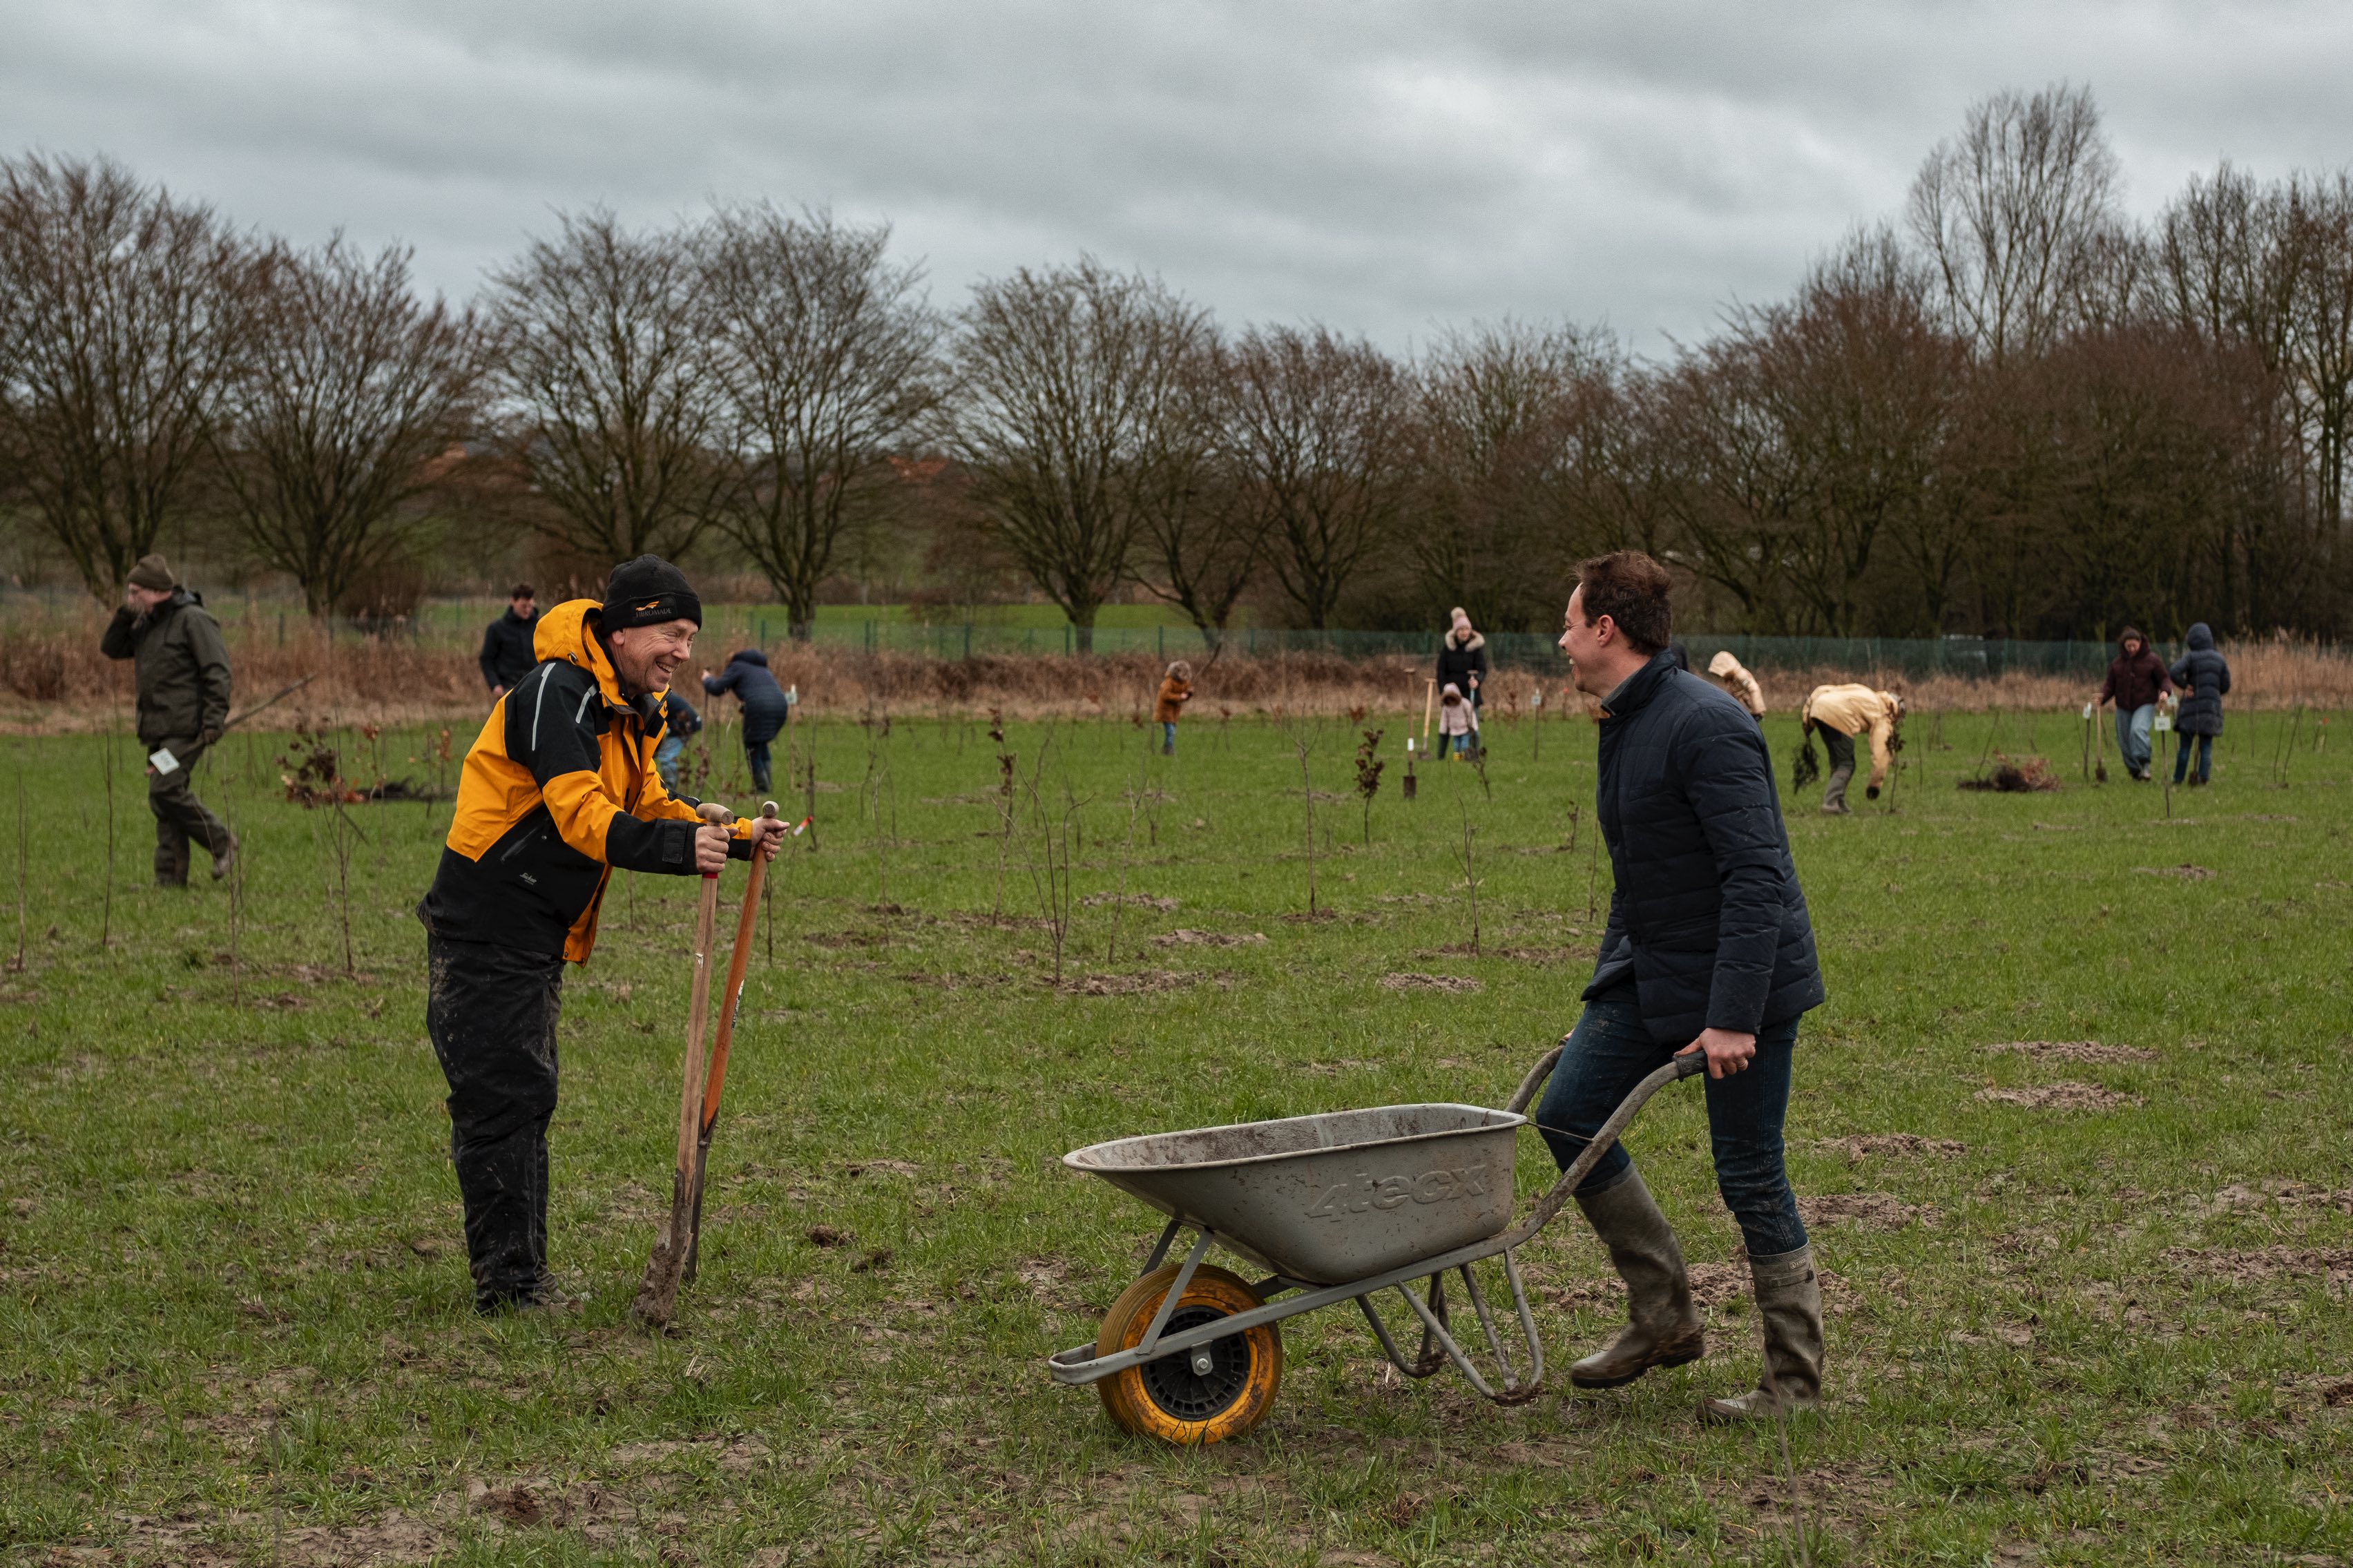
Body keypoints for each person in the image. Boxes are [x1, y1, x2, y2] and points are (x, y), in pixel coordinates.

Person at [418, 556, 790, 1313]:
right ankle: (511, 1287)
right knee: (504, 1098)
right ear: (624, 630)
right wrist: (681, 852)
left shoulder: (628, 705)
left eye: (690, 638)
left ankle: (519, 1274)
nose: (683, 653)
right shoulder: (558, 693)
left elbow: (646, 802)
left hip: (535, 927)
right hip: (488, 923)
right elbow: (579, 813)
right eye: (672, 634)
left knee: (525, 1092)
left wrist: (742, 835)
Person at [1544, 549, 1825, 1423]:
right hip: (1656, 967)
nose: (1557, 640)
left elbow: (1756, 879)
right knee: (1566, 1112)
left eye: (1566, 622)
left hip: (1745, 984)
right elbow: (1642, 876)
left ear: (1605, 628)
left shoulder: (1706, 724)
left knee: (1748, 1174)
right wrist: (1607, 990)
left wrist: (1732, 1019)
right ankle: (1663, 1316)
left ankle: (1793, 1384)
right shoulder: (1626, 719)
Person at [100, 554, 237, 887]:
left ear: (157, 590)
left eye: (135, 592)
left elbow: (218, 671)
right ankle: (170, 879)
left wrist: (214, 719)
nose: (131, 598)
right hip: (158, 729)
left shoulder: (193, 619)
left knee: (166, 789)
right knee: (162, 799)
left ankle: (222, 842)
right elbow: (112, 648)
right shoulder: (147, 623)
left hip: (186, 727)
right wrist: (124, 615)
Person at [1799, 684, 1903, 815]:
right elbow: (1881, 754)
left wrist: (1807, 720)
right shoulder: (1883, 715)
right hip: (1839, 716)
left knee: (1837, 762)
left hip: (1819, 710)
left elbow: (1822, 690)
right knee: (1847, 764)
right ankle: (1830, 803)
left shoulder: (1867, 693)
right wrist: (1875, 785)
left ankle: (1839, 802)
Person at [701, 648, 791, 793]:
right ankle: (767, 786)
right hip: (780, 706)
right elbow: (759, 691)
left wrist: (707, 679)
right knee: (760, 743)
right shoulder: (762, 668)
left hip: (759, 707)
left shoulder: (736, 666)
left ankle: (762, 789)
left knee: (752, 746)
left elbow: (717, 688)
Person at [2095, 626, 2171, 782]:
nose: (2131, 649)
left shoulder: (2153, 660)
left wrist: (2165, 692)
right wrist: (2102, 698)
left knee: (2137, 731)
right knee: (2124, 740)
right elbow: (2110, 685)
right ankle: (2135, 771)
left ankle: (2145, 765)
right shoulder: (2117, 664)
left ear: (2140, 643)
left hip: (2145, 704)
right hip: (2123, 706)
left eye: (2134, 645)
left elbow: (2164, 679)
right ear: (2123, 645)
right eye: (2128, 646)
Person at [2169, 622, 2231, 786]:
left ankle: (2178, 778)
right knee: (2206, 748)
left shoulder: (2191, 656)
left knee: (2184, 748)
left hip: (2190, 709)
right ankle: (2203, 778)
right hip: (2211, 710)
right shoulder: (2220, 659)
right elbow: (2226, 685)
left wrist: (2185, 686)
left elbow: (2174, 671)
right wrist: (2214, 693)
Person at [479, 584, 539, 697]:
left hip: (536, 687)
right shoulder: (497, 628)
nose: (527, 610)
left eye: (530, 606)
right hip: (508, 688)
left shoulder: (541, 626)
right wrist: (495, 684)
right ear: (513, 601)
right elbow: (486, 659)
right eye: (523, 606)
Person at [1437, 608, 1488, 713]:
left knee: (1472, 728)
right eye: (1461, 629)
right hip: (1451, 696)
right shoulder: (1448, 648)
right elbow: (1441, 671)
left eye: (1466, 629)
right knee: (1452, 728)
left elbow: (1482, 670)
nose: (1464, 632)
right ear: (1456, 631)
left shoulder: (1476, 649)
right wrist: (1444, 690)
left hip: (1471, 695)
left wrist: (1477, 681)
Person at [654, 689, 700, 792]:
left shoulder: (655, 698)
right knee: (666, 754)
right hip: (681, 724)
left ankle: (669, 788)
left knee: (666, 756)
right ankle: (669, 787)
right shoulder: (659, 695)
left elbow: (656, 728)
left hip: (684, 725)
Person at [1707, 650, 1766, 719]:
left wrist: (1757, 711)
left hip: (1750, 708)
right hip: (1744, 708)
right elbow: (1731, 694)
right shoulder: (1732, 680)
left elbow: (1754, 689)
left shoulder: (1741, 676)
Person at [1153, 661, 1192, 755]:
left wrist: (1189, 694)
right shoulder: (1168, 682)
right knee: (1171, 731)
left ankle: (1166, 749)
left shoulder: (1184, 683)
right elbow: (1165, 695)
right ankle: (1169, 749)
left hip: (1174, 712)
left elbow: (1184, 695)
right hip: (1165, 711)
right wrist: (1180, 697)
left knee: (1172, 731)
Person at [1437, 681, 1479, 757]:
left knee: (1464, 745)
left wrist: (1472, 726)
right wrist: (1443, 730)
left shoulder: (1465, 703)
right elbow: (1444, 720)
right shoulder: (1446, 707)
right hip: (1454, 730)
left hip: (1465, 729)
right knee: (1456, 746)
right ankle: (1457, 758)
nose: (1450, 701)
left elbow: (1471, 715)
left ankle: (1466, 755)